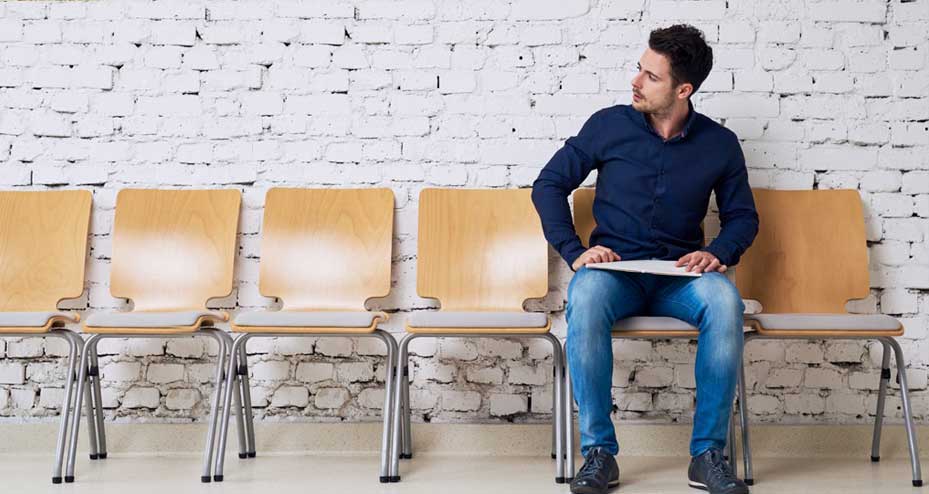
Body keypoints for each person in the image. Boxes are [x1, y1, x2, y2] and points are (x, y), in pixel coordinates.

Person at [531, 24, 759, 494]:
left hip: (680, 277)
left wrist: (716, 253)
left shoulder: (719, 143)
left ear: (683, 89)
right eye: (640, 69)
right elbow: (548, 185)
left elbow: (743, 218)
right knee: (587, 296)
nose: (636, 81)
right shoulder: (608, 125)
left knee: (725, 302)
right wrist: (576, 253)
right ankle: (599, 454)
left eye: (650, 76)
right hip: (615, 273)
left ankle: (707, 455)